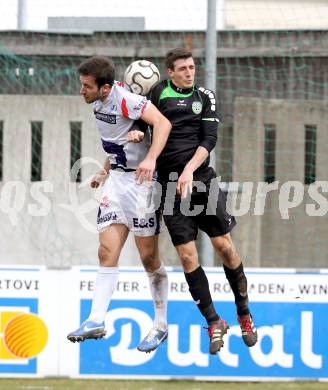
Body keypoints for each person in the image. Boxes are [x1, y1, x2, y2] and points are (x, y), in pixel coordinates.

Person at [150, 48, 257, 354]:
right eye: (182, 68)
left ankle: (244, 311)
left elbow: (209, 140)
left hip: (201, 182)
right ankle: (214, 322)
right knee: (186, 256)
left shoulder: (205, 96)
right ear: (170, 72)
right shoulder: (158, 94)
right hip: (170, 189)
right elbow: (146, 125)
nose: (189, 72)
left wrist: (187, 170)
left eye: (192, 67)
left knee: (224, 247)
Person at [67, 56, 172, 354]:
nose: (81, 91)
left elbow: (162, 124)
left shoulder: (126, 100)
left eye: (87, 86)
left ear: (104, 88)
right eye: (81, 84)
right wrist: (104, 169)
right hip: (117, 182)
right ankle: (96, 319)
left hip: (141, 186)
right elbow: (117, 141)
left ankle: (161, 324)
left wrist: (150, 158)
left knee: (149, 259)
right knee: (105, 251)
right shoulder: (99, 102)